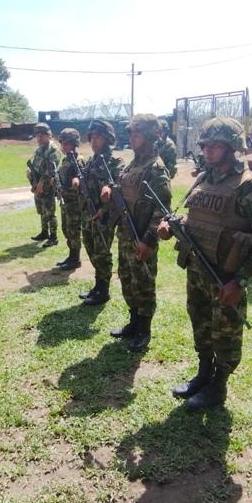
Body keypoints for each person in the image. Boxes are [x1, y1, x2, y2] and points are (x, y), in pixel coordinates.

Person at [158, 117, 252, 409]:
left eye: (216, 145)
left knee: (225, 334)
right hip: (197, 269)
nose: (208, 151)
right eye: (205, 145)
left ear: (232, 147)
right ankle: (203, 374)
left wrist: (240, 281)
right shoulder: (203, 179)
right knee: (200, 324)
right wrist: (172, 226)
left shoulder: (248, 188)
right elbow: (193, 218)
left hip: (225, 277)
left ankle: (218, 387)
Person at [107, 114, 171, 352]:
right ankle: (133, 322)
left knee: (143, 283)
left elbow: (161, 209)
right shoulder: (131, 165)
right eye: (131, 134)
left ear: (150, 137)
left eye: (138, 134)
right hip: (125, 235)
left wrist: (148, 240)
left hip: (142, 237)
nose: (133, 138)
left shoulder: (156, 167)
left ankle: (144, 329)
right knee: (126, 279)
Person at [77, 120, 124, 306]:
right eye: (92, 137)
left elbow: (119, 187)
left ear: (108, 139)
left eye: (99, 137)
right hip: (87, 214)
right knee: (91, 249)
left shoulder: (115, 162)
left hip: (104, 216)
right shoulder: (91, 161)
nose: (94, 141)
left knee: (102, 252)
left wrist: (104, 207)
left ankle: (103, 290)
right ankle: (97, 285)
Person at [55, 128, 85, 271]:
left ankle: (75, 258)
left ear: (74, 143)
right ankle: (71, 255)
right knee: (66, 229)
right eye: (62, 143)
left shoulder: (79, 160)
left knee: (73, 230)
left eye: (66, 143)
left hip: (74, 202)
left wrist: (76, 181)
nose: (63, 146)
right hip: (65, 201)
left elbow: (81, 179)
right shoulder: (66, 159)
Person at [27, 122, 61, 247]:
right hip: (38, 184)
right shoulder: (39, 150)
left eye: (42, 135)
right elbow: (35, 165)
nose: (39, 138)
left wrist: (42, 182)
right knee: (41, 210)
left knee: (50, 212)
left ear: (49, 135)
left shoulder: (53, 149)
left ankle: (53, 236)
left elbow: (52, 169)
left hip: (49, 185)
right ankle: (44, 232)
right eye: (38, 135)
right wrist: (31, 175)